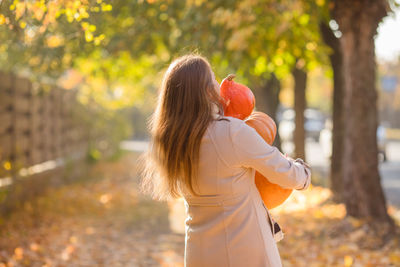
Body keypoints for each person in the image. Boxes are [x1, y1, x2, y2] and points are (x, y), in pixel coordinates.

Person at [139, 54, 311, 267]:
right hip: (246, 252)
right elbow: (290, 176)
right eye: (213, 79)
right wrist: (302, 169)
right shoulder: (231, 132)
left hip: (198, 253)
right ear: (207, 90)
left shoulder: (171, 141)